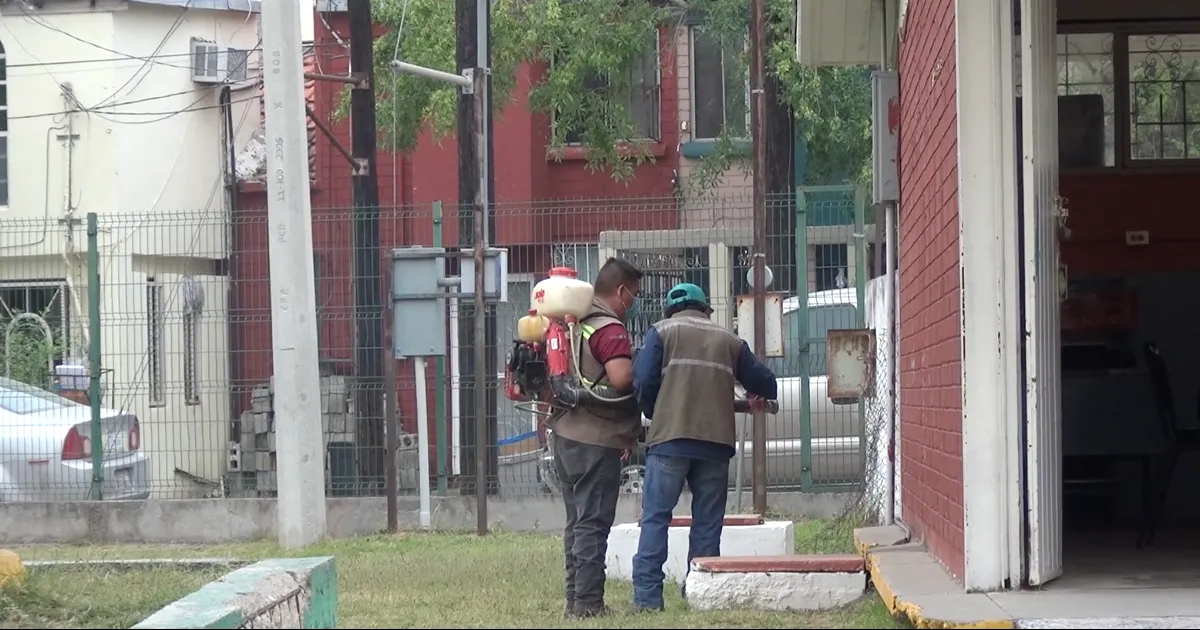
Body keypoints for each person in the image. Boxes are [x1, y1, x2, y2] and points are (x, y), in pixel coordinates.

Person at [629, 282, 778, 612]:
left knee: (656, 518)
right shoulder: (729, 340)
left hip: (669, 441)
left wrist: (656, 410)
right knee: (708, 523)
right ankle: (701, 595)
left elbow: (641, 381)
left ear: (671, 311)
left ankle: (648, 599)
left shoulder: (661, 332)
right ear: (706, 309)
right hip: (715, 445)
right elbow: (766, 382)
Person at [550, 256, 644, 619]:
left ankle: (575, 600)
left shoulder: (572, 324)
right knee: (593, 523)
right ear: (620, 292)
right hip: (597, 438)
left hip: (565, 434)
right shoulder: (609, 328)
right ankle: (588, 605)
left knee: (576, 522)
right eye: (632, 296)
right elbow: (622, 379)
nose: (631, 304)